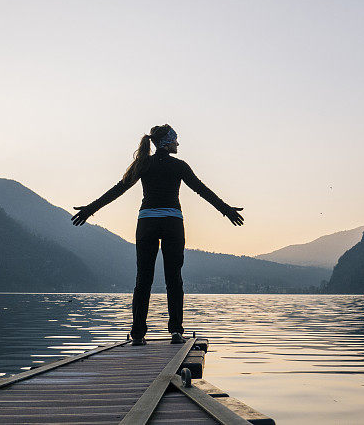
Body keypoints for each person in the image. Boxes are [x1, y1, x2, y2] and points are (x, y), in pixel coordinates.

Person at [71, 124, 243, 345]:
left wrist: (89, 210)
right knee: (174, 278)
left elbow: (118, 189)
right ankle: (176, 332)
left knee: (143, 279)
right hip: (172, 223)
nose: (178, 143)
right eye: (176, 140)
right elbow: (203, 190)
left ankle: (138, 335)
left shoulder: (144, 164)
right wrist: (226, 210)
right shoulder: (179, 166)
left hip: (147, 224)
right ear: (167, 143)